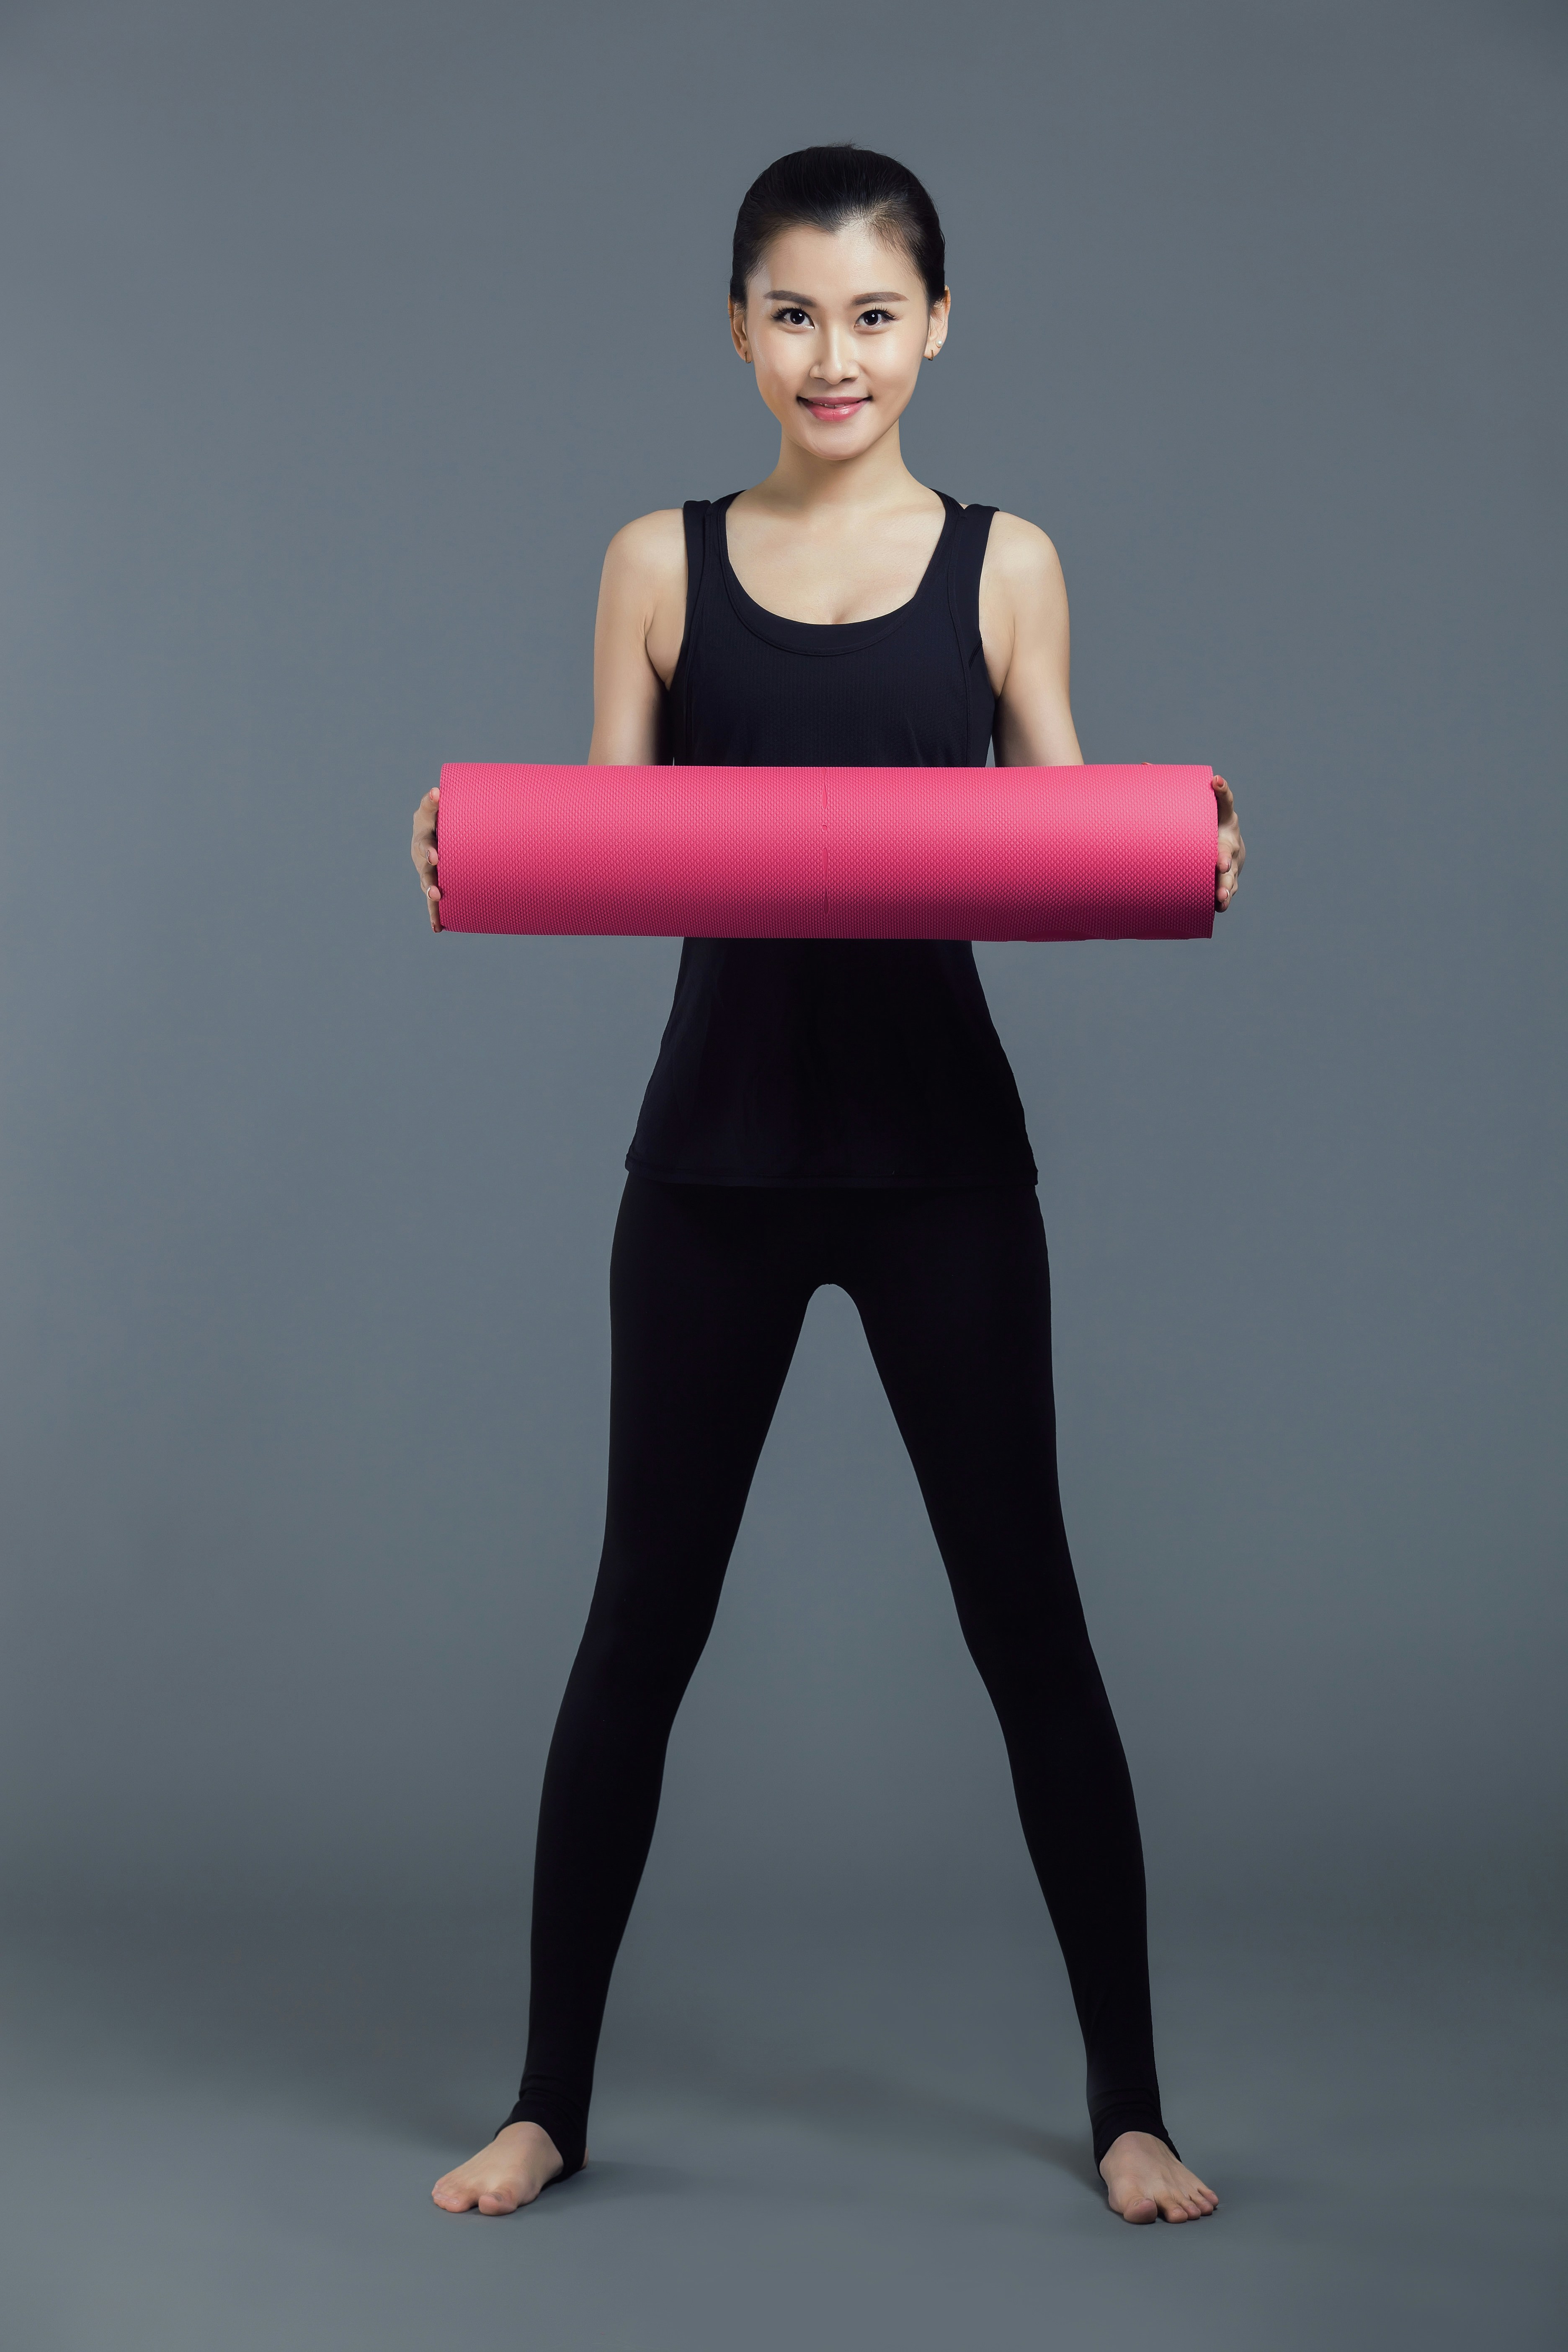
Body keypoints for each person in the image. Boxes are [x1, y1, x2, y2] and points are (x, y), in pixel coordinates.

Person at [415, 144, 1240, 2226]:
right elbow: (611, 854)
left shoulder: (1011, 564)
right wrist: (476, 841)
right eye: (794, 311)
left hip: (944, 1164)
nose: (834, 353)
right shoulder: (656, 564)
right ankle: (546, 2106)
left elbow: (1062, 851)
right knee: (638, 1632)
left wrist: (1177, 844)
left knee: (1030, 1624)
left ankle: (1133, 2106)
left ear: (937, 327)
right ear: (736, 331)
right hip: (710, 1162)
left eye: (875, 314)